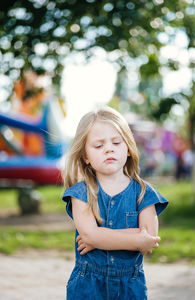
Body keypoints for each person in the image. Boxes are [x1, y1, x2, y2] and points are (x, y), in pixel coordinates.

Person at [62, 106, 168, 300]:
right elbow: (90, 236)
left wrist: (101, 238)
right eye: (98, 146)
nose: (109, 148)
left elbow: (149, 239)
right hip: (88, 286)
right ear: (85, 156)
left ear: (127, 147)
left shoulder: (144, 193)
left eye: (116, 142)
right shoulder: (81, 193)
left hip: (130, 286)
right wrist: (136, 238)